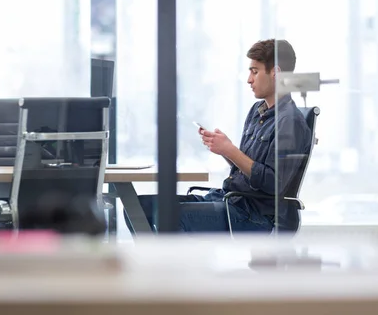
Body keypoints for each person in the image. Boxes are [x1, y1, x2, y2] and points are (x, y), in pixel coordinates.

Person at [125, 39, 312, 233]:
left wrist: (230, 150)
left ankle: (165, 262)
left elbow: (273, 184)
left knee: (169, 217)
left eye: (255, 72)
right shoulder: (258, 111)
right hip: (229, 198)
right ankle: (156, 261)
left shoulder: (290, 122)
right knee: (136, 208)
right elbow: (248, 168)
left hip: (253, 214)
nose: (249, 79)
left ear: (276, 73)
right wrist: (224, 150)